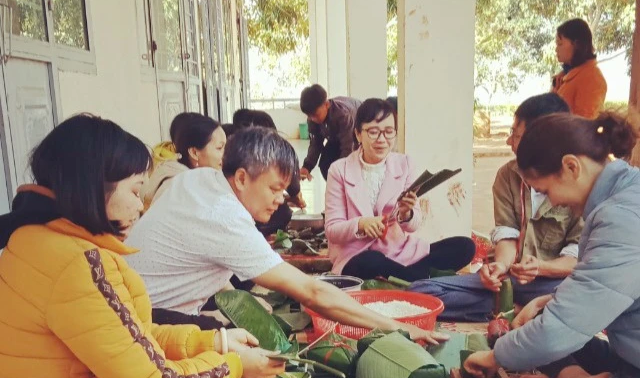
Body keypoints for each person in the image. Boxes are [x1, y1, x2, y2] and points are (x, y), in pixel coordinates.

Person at [0, 114, 296, 378]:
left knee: (211, 362)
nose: (140, 205)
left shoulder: (34, 241)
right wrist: (237, 367)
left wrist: (218, 340)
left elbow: (131, 334)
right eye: (135, 190)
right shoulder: (77, 265)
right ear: (96, 188)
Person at [127, 126, 447, 345]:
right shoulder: (225, 217)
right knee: (244, 355)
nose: (281, 198)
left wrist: (244, 298)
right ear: (241, 177)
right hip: (139, 323)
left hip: (125, 302)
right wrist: (401, 328)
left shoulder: (199, 181)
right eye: (274, 188)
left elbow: (202, 260)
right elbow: (313, 293)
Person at [464, 111, 640, 378]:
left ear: (572, 167)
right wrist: (548, 301)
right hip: (629, 353)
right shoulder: (620, 196)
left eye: (545, 190)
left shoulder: (622, 217)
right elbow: (602, 285)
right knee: (540, 326)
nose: (551, 201)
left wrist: (495, 356)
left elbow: (560, 331)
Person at [410, 93, 583, 321]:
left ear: (539, 140)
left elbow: (579, 258)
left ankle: (524, 308)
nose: (509, 141)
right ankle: (522, 309)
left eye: (515, 134)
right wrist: (499, 266)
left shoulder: (577, 181)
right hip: (508, 281)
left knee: (579, 298)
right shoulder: (508, 175)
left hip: (553, 284)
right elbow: (507, 235)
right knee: (420, 292)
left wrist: (540, 267)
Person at [324, 98, 476, 282]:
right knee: (371, 261)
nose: (382, 139)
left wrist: (407, 213)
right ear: (357, 134)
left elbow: (413, 225)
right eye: (373, 132)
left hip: (400, 253)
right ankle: (419, 278)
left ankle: (405, 277)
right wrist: (361, 224)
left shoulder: (405, 164)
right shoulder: (339, 170)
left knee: (465, 246)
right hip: (358, 255)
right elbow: (333, 230)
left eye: (389, 132)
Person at [299, 84, 361, 181]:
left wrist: (340, 170)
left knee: (350, 168)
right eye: (309, 116)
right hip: (337, 136)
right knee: (325, 163)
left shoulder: (343, 116)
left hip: (356, 134)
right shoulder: (312, 119)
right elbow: (315, 144)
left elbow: (348, 147)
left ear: (327, 105)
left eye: (316, 115)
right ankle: (335, 189)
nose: (313, 119)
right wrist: (307, 167)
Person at [552, 18, 607, 119]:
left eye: (560, 44)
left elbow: (585, 125)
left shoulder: (592, 78)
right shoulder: (565, 75)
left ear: (577, 44)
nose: (556, 49)